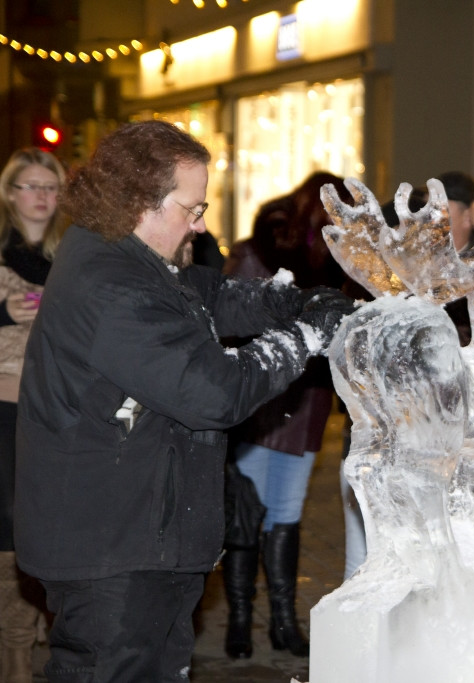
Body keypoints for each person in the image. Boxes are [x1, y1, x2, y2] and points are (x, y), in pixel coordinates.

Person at [14, 120, 354, 681]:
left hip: (145, 535)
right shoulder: (111, 285)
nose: (201, 222)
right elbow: (213, 392)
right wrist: (305, 338)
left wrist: (292, 303)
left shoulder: (130, 256)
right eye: (191, 209)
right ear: (138, 204)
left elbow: (209, 296)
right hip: (112, 549)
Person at [220, 173, 352, 659]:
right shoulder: (258, 252)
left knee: (286, 513)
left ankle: (281, 619)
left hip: (308, 405)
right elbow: (232, 326)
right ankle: (239, 618)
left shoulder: (341, 262)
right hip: (260, 403)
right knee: (247, 513)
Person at [0, 147, 67, 682]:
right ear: (10, 192)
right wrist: (3, 311)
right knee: (9, 535)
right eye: (31, 185)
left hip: (58, 409)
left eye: (51, 186)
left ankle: (44, 626)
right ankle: (16, 650)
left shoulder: (75, 252)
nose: (42, 196)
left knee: (49, 531)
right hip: (3, 408)